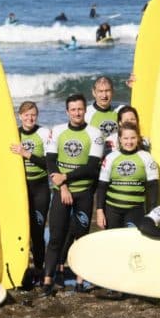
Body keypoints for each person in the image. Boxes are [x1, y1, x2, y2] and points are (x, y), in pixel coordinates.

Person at [42, 93, 104, 296]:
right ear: (67, 111)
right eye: (73, 109)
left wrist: (65, 177)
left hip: (84, 194)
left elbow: (92, 168)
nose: (77, 112)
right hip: (62, 192)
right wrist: (62, 187)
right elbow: (51, 162)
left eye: (80, 109)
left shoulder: (95, 134)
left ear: (85, 110)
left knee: (81, 238)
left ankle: (80, 282)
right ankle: (48, 281)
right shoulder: (57, 131)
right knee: (56, 237)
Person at [9, 101, 51, 289]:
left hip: (40, 189)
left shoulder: (43, 133)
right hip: (20, 190)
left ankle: (40, 270)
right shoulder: (13, 133)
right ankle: (21, 270)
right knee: (20, 232)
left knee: (38, 233)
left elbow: (49, 164)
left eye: (33, 114)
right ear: (20, 116)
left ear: (37, 115)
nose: (30, 118)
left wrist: (27, 154)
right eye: (26, 115)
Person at [95, 122, 160, 230]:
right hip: (112, 210)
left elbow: (153, 187)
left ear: (138, 138)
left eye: (133, 138)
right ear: (120, 139)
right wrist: (99, 211)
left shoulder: (147, 157)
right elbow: (102, 186)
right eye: (125, 138)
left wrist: (152, 214)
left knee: (131, 244)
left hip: (135, 210)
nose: (129, 142)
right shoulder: (111, 157)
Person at [85, 76, 124, 142]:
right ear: (94, 92)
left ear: (113, 92)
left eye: (107, 91)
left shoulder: (120, 111)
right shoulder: (86, 113)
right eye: (100, 91)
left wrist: (135, 85)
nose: (104, 95)